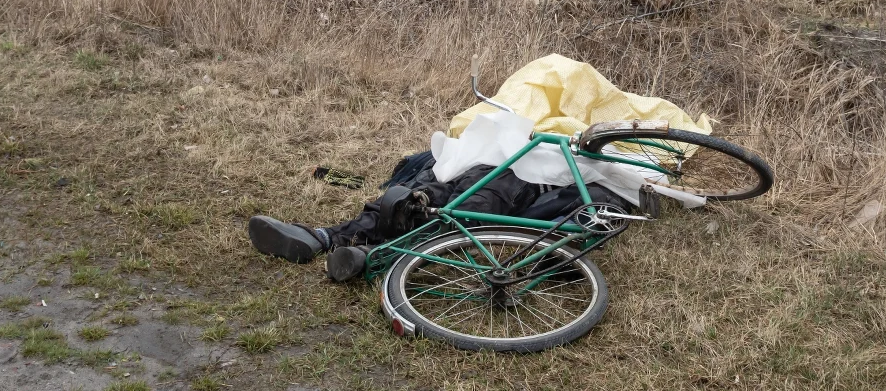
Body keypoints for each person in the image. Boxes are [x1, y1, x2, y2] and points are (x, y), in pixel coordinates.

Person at [248, 151, 633, 282]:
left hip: (528, 179)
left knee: (464, 203)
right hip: (504, 165)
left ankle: (345, 245)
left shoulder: (626, 140)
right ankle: (331, 240)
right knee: (432, 196)